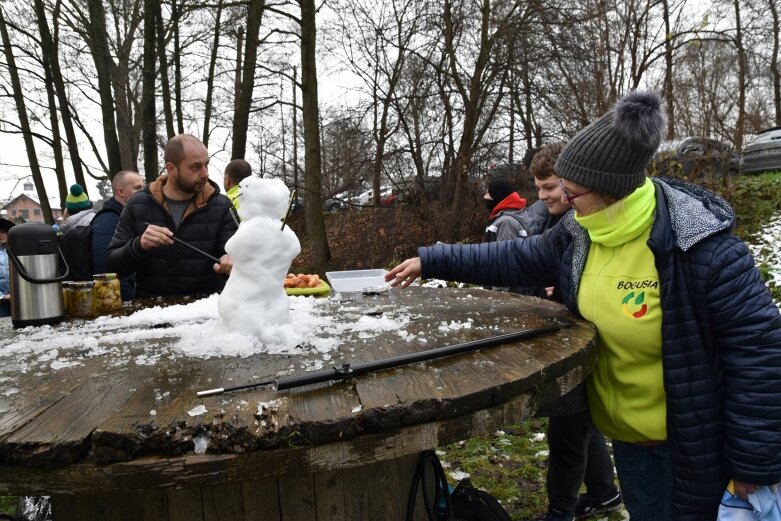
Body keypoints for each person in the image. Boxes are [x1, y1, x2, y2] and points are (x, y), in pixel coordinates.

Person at [385, 90, 781, 521]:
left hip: (693, 451)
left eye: (571, 192)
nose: (562, 203)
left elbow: (760, 354)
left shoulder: (701, 249)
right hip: (628, 443)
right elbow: (518, 257)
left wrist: (754, 462)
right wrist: (433, 259)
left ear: (610, 190)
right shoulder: (582, 233)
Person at [526, 143, 622, 521]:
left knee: (568, 433)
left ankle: (560, 512)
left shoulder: (588, 223)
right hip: (569, 341)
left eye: (550, 186)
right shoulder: (554, 222)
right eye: (538, 187)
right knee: (582, 424)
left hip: (587, 347)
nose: (544, 195)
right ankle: (605, 493)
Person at [106, 134, 237, 298]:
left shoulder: (221, 206)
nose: (205, 173)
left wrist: (230, 261)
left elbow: (239, 264)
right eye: (196, 167)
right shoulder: (137, 204)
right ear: (171, 169)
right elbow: (112, 265)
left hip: (205, 313)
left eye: (206, 165)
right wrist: (139, 245)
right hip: (152, 313)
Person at [91, 170, 145, 300]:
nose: (143, 192)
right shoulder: (108, 220)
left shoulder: (130, 217)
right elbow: (106, 269)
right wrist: (128, 303)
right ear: (121, 192)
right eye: (138, 188)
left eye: (144, 188)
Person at [483, 177, 527, 241]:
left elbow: (505, 250)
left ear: (498, 197)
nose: (485, 197)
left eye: (489, 194)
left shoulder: (506, 222)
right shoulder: (503, 217)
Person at [0, 218, 16, 317]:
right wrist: (2, 296)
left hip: (19, 299)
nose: (0, 235)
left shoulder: (19, 251)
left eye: (3, 232)